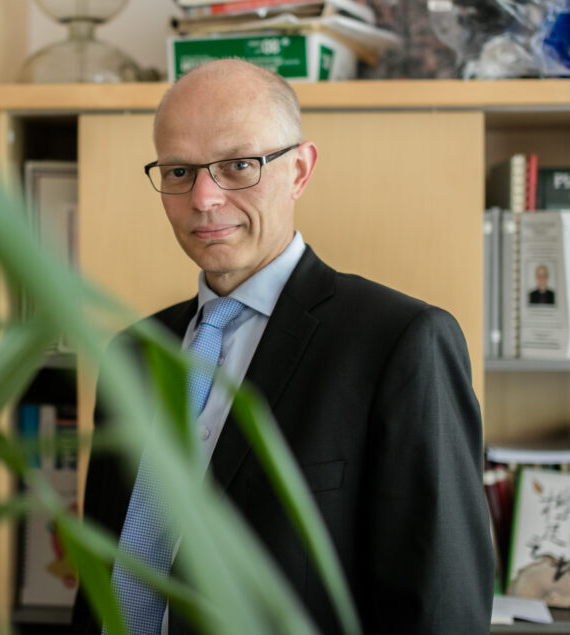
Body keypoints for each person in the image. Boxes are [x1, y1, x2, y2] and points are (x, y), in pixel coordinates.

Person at [71, 59, 494, 635]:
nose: (204, 198)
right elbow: (104, 568)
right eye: (179, 171)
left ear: (299, 170)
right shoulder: (134, 353)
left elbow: (441, 607)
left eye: (239, 165)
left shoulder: (400, 343)